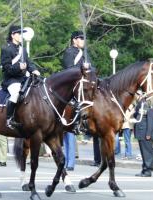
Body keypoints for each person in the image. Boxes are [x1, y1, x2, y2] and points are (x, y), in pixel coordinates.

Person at [1, 25, 40, 128]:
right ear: (13, 35)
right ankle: (9, 119)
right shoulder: (6, 49)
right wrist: (19, 67)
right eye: (18, 33)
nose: (21, 36)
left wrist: (34, 70)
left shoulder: (22, 50)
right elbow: (6, 68)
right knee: (15, 94)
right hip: (11, 80)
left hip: (23, 79)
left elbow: (29, 63)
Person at [62, 30, 90, 171]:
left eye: (83, 38)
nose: (82, 41)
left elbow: (90, 69)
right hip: (72, 87)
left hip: (83, 87)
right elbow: (69, 70)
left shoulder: (85, 54)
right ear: (74, 40)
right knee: (67, 129)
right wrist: (82, 69)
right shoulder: (69, 52)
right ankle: (67, 161)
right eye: (80, 38)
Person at [134, 98, 153, 177]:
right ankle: (144, 169)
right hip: (141, 132)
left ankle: (148, 170)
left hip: (146, 132)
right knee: (143, 153)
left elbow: (151, 120)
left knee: (147, 153)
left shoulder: (150, 105)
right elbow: (136, 114)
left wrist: (148, 133)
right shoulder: (141, 104)